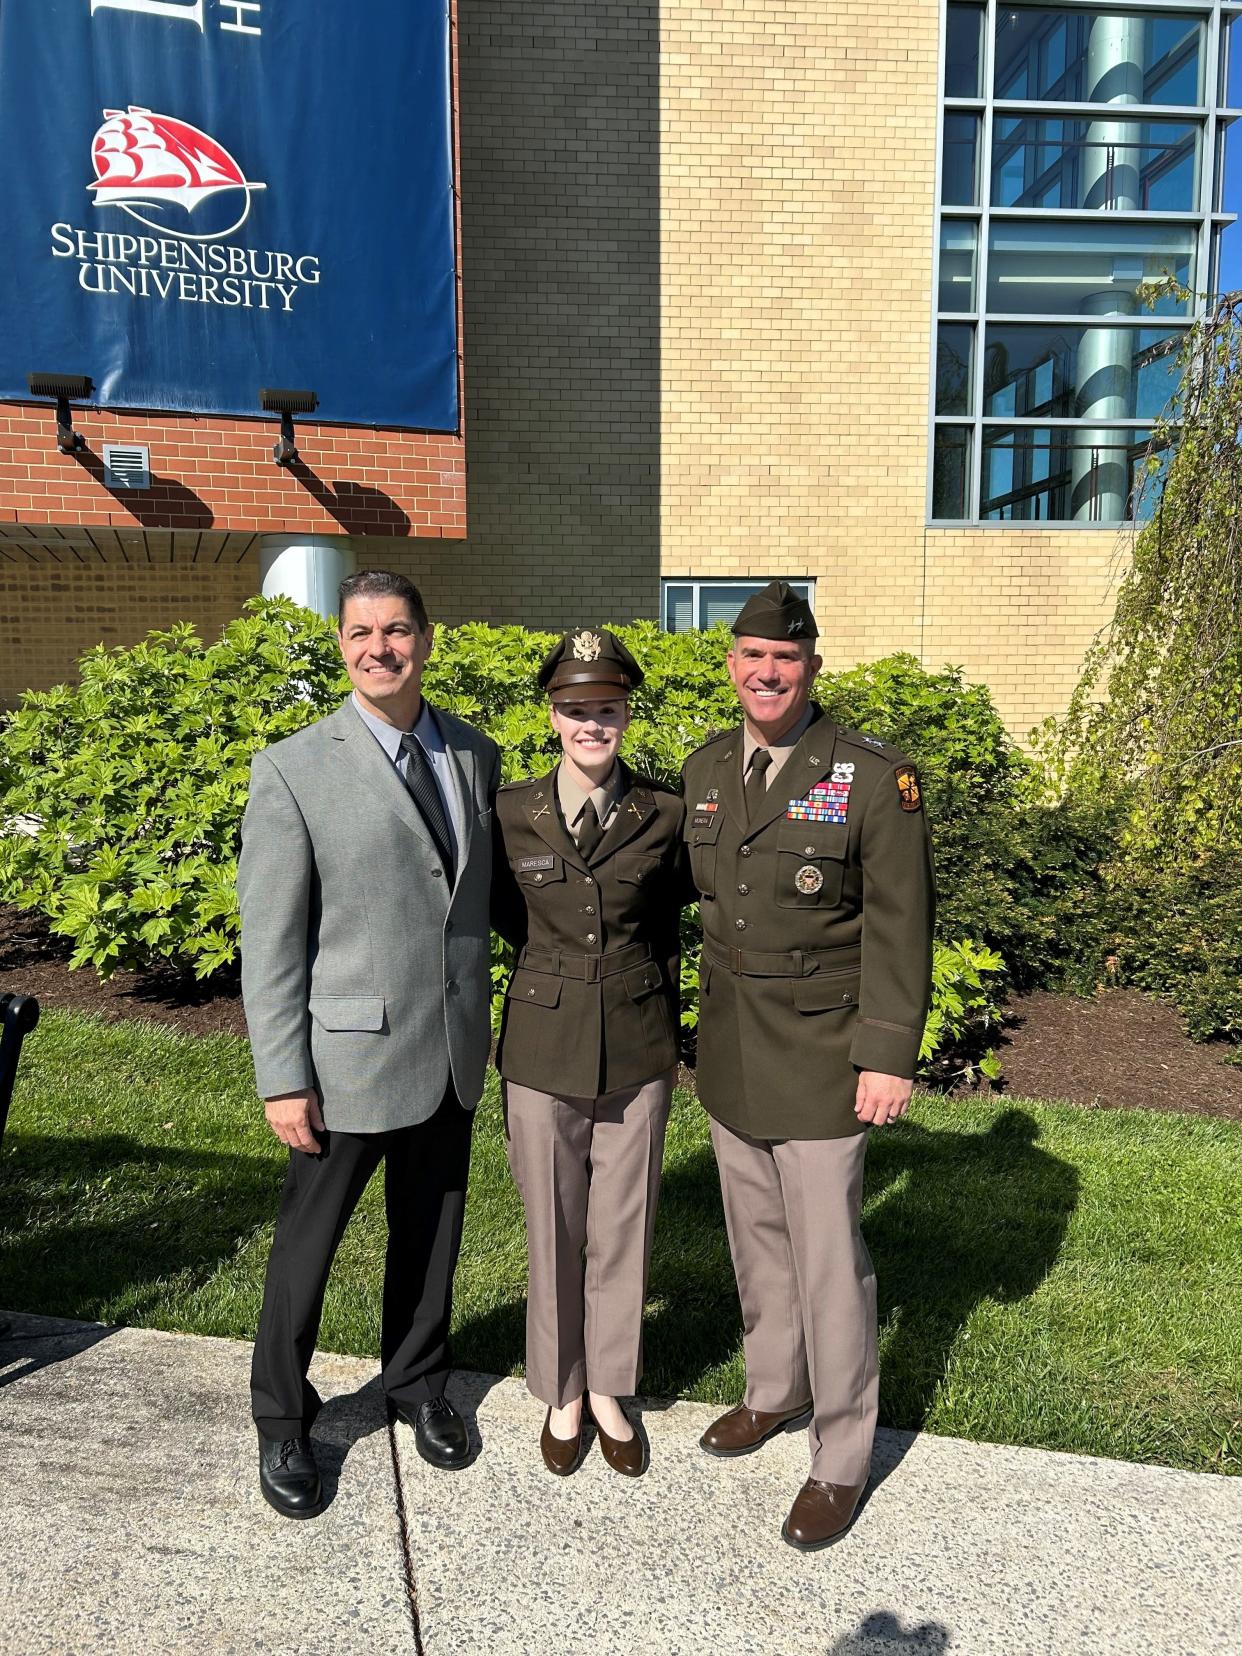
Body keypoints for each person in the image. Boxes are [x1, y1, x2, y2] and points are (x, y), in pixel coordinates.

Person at [238, 569, 500, 1519]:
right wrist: (282, 1078)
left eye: (396, 630)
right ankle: (280, 1417)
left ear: (426, 640)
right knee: (307, 1250)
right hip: (342, 1064)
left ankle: (417, 1382)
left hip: (451, 1049)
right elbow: (270, 944)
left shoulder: (475, 753)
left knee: (431, 1235)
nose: (379, 648)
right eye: (360, 633)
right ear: (342, 645)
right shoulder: (294, 769)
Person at [681, 581, 934, 1551]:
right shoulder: (708, 769)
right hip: (736, 1054)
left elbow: (900, 927)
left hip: (829, 1056)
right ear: (733, 665)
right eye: (750, 657)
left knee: (830, 1264)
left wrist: (887, 1056)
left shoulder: (874, 777)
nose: (767, 673)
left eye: (785, 659)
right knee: (759, 1246)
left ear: (813, 667)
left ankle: (840, 1455)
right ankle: (773, 1391)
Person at [491, 627, 686, 1477]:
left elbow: (673, 919)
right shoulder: (509, 811)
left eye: (605, 709)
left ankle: (609, 1387)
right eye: (576, 710)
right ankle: (560, 1390)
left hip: (638, 1040)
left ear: (626, 715)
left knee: (622, 1225)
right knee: (553, 1223)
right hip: (541, 1039)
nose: (591, 725)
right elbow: (504, 914)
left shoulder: (666, 813)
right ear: (553, 716)